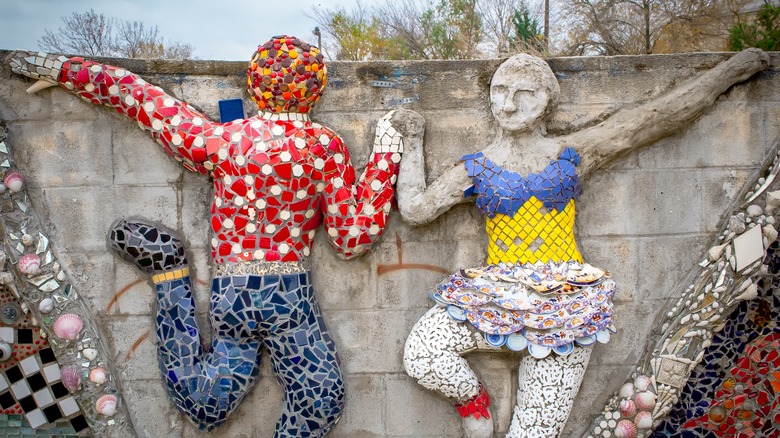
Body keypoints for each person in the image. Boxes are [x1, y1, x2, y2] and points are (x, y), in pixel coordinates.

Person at [9, 35, 404, 436]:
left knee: (206, 406)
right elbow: (352, 237)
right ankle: (168, 272)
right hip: (290, 297)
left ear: (254, 85)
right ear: (316, 89)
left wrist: (58, 69)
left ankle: (169, 274)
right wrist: (387, 152)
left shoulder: (227, 140)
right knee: (320, 399)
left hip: (234, 294)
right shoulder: (324, 147)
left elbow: (145, 101)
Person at [396, 49, 769, 437]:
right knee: (423, 354)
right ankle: (475, 403)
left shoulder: (571, 153)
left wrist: (730, 72)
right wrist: (412, 139)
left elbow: (654, 119)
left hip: (565, 304)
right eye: (500, 90)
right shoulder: (475, 167)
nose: (508, 104)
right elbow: (417, 209)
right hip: (497, 294)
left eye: (525, 93)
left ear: (547, 102)